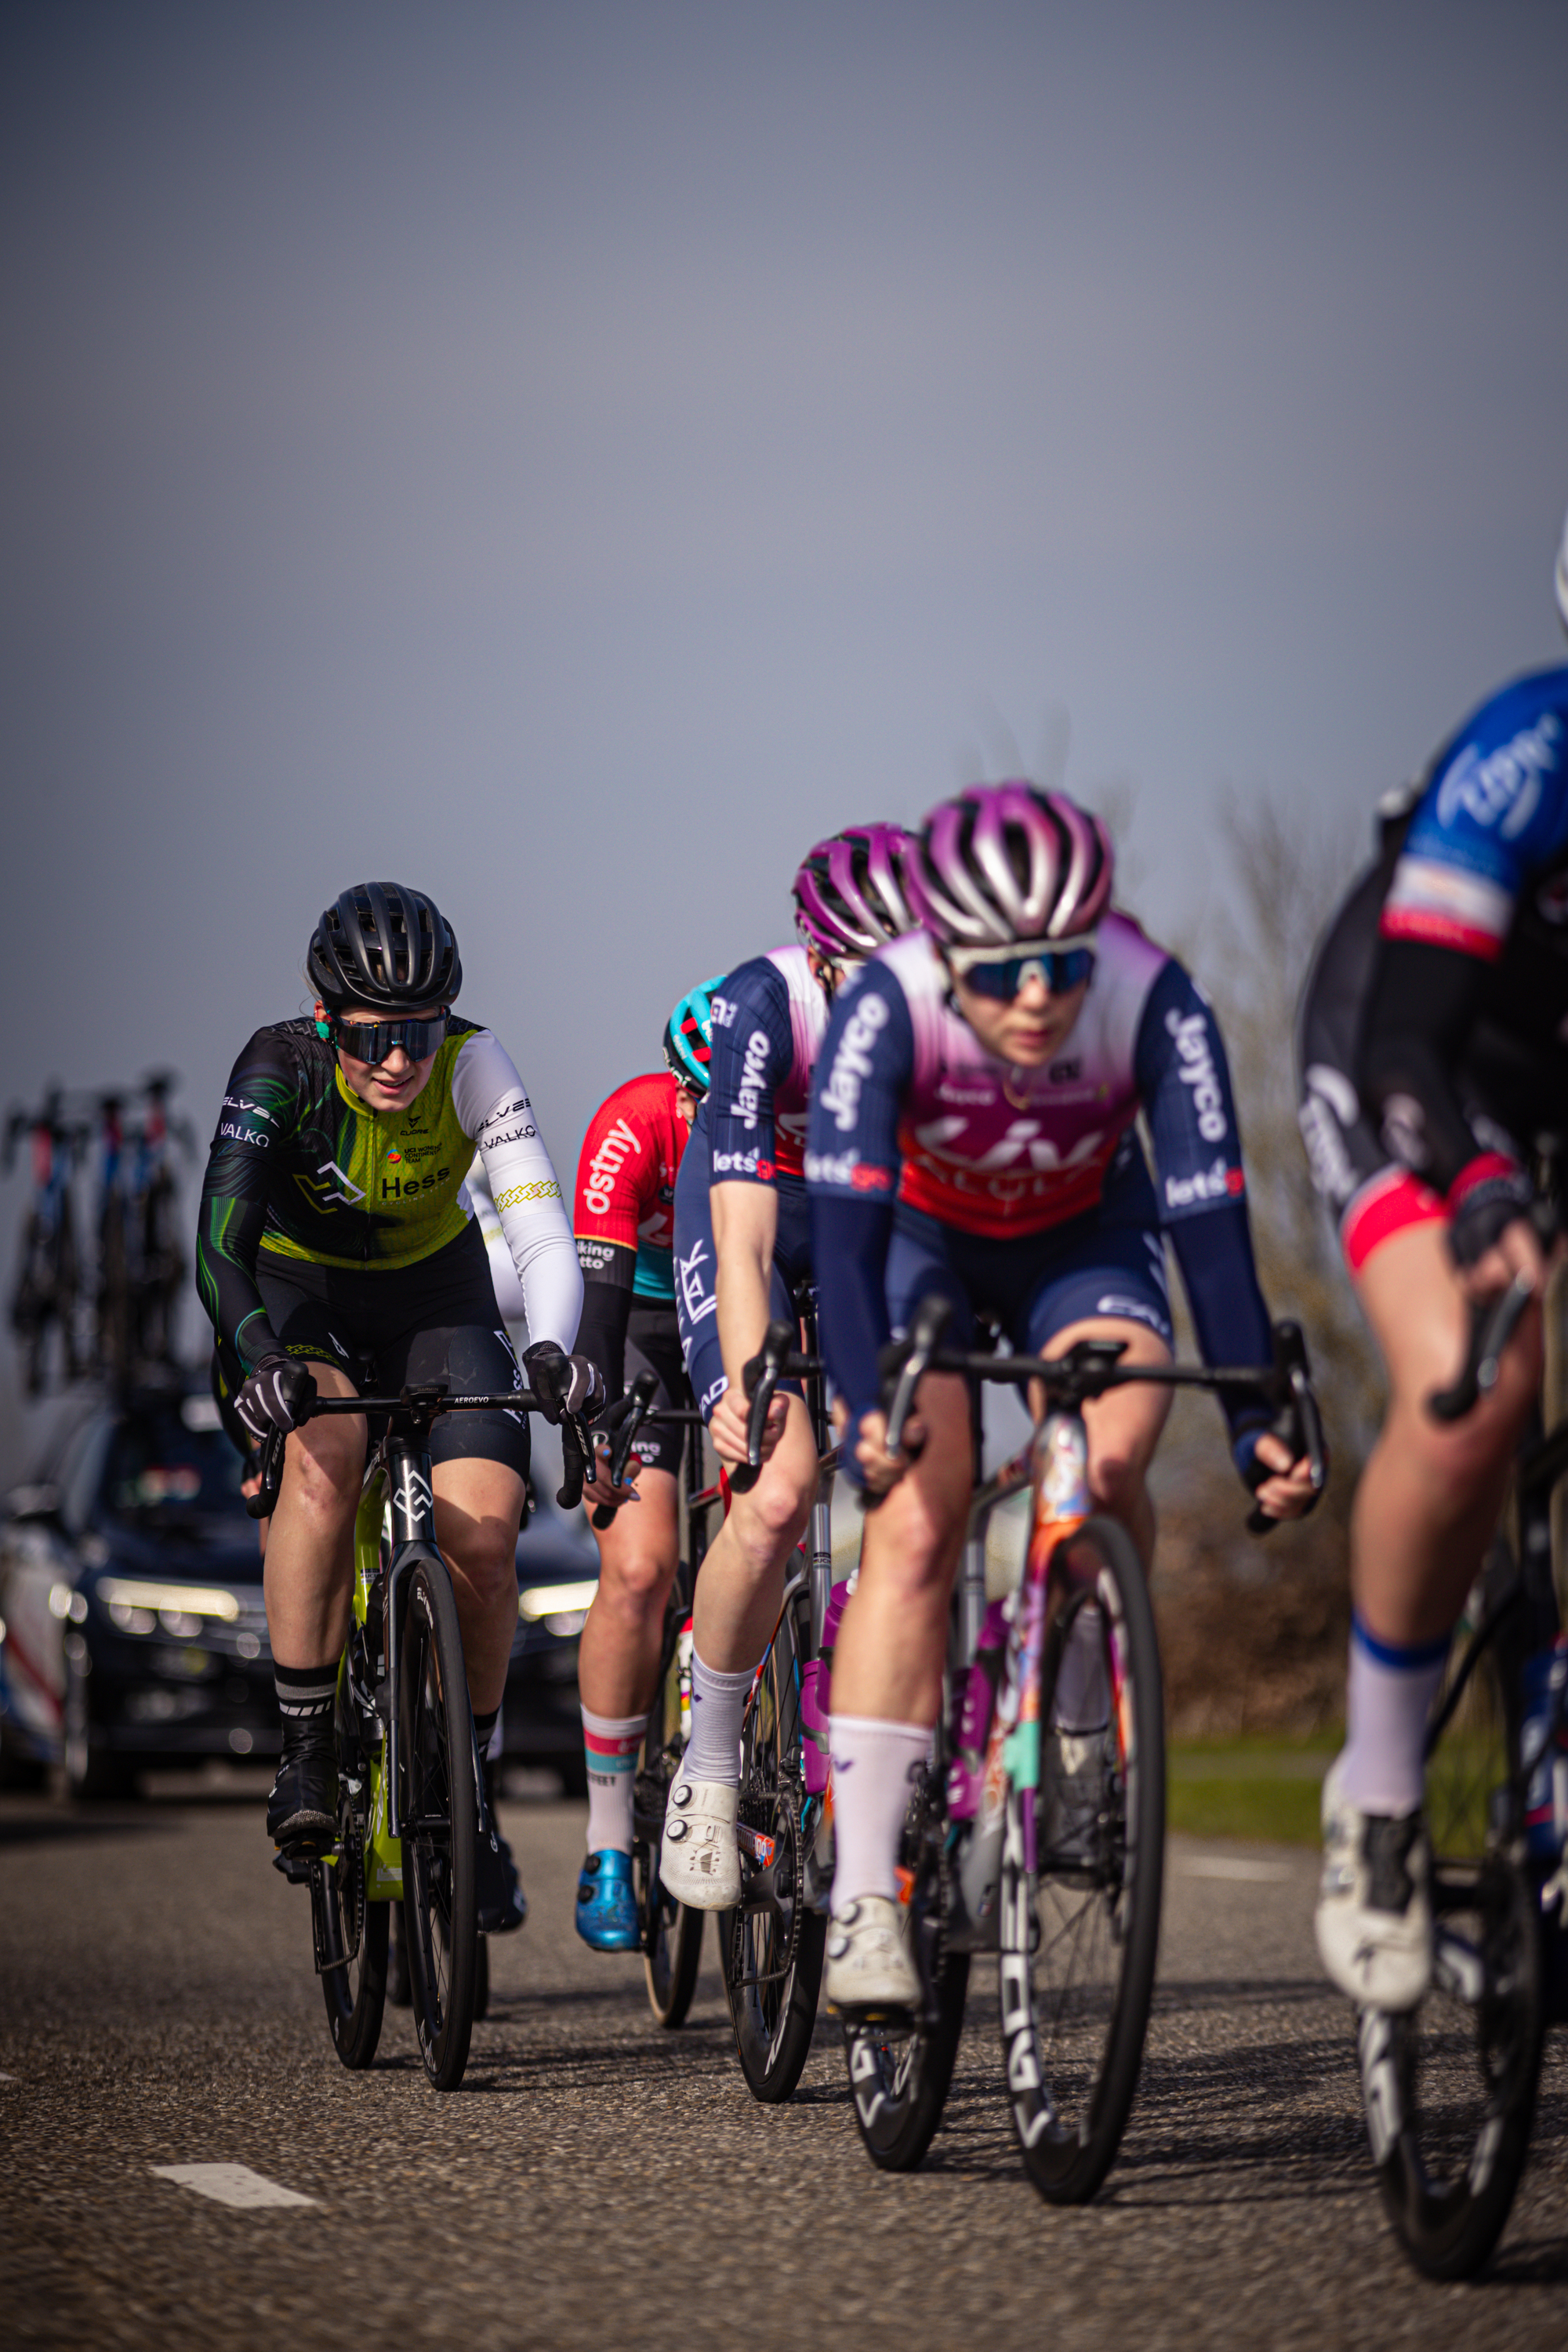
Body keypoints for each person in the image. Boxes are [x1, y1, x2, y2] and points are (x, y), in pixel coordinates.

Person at [805, 782, 1318, 2009]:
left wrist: (1255, 1423)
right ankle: (867, 1895)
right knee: (915, 1522)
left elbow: (1208, 1221)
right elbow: (843, 1238)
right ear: (945, 955)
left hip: (1083, 1236)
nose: (1036, 995)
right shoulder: (889, 1004)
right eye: (1000, 973)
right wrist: (871, 1404)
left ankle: (1083, 1726)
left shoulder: (1154, 1000)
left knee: (1118, 1447)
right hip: (923, 1236)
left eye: (1061, 962)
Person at [195, 881, 599, 1933]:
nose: (399, 1061)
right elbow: (218, 1248)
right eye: (374, 1037)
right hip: (299, 1293)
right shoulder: (275, 1069)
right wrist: (254, 1357)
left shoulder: (476, 1064)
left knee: (488, 1540)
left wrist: (553, 1346)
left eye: (419, 1032)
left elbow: (540, 1229)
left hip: (436, 1294)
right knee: (326, 1456)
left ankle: (470, 1785)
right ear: (328, 1023)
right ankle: (307, 1748)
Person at [1298, 516, 1568, 2009]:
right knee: (1478, 1377)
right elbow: (1410, 1042)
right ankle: (1383, 1796)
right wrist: (1471, 1187)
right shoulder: (1528, 754)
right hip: (1410, 1054)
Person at [663, 826, 916, 1910]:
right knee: (774, 1491)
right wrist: (742, 1378)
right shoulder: (770, 1005)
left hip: (864, 1215)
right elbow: (743, 1235)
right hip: (752, 1210)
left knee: (911, 1461)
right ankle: (709, 1763)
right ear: (822, 961)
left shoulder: (945, 1012)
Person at [561, 975, 724, 1950]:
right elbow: (600, 1314)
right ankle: (610, 1839)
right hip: (641, 1324)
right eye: (696, 1098)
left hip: (734, 1308)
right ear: (676, 1084)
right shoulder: (633, 1124)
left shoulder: (789, 1131)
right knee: (636, 1568)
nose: (714, 1118)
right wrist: (598, 1433)